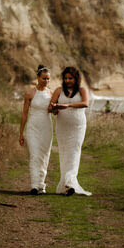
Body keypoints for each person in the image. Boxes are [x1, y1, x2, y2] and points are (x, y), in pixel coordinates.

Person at [49, 66, 92, 196]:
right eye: (66, 78)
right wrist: (55, 109)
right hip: (62, 126)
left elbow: (85, 103)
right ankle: (65, 184)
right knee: (64, 153)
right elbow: (51, 107)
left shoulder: (82, 90)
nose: (67, 80)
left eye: (70, 78)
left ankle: (70, 182)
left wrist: (68, 105)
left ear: (76, 79)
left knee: (74, 151)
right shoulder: (58, 91)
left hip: (78, 126)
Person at [19, 65, 54, 195]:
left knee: (44, 156)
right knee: (34, 155)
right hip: (33, 127)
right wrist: (21, 133)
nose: (46, 81)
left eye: (48, 79)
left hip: (47, 127)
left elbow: (55, 111)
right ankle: (34, 185)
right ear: (38, 78)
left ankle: (41, 184)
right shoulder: (30, 93)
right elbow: (24, 114)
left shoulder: (51, 94)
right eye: (44, 78)